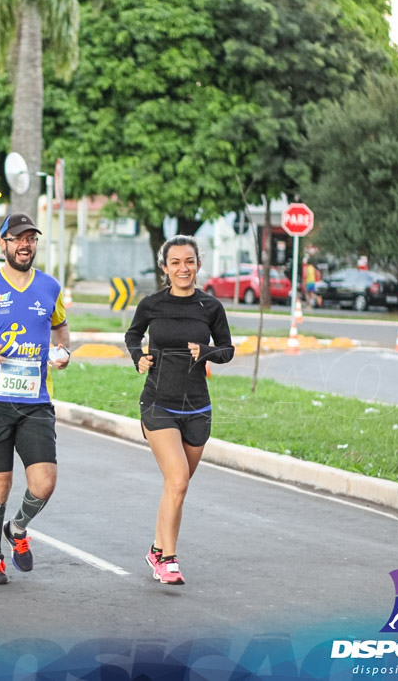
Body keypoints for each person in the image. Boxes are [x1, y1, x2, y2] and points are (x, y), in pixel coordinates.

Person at [0, 213, 71, 585]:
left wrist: (62, 350)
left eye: (31, 239)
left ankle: (17, 529)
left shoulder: (50, 287)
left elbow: (60, 327)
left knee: (44, 482)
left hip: (35, 400)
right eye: (18, 239)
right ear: (2, 244)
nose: (25, 245)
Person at [124, 235, 234, 586]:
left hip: (197, 407)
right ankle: (167, 561)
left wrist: (206, 351)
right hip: (158, 403)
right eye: (175, 262)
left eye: (189, 261)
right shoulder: (152, 304)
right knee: (177, 480)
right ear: (165, 268)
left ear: (198, 265)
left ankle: (157, 547)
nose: (183, 268)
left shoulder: (211, 307)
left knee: (178, 487)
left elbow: (227, 349)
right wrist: (138, 357)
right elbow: (132, 335)